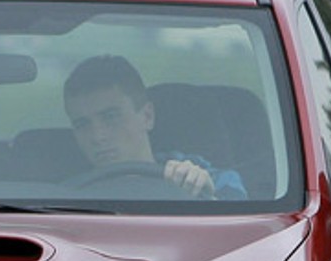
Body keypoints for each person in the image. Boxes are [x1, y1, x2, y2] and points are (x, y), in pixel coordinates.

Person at [62, 55, 246, 199]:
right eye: (82, 124)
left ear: (147, 116)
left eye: (111, 117)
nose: (97, 136)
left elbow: (246, 237)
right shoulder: (63, 196)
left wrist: (207, 199)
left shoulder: (215, 180)